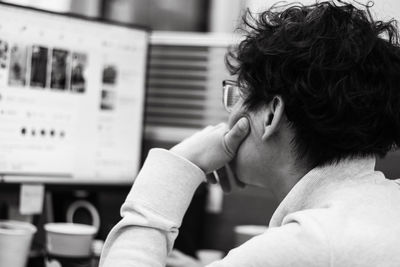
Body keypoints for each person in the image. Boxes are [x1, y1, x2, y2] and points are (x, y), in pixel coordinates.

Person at [100, 1, 400, 266]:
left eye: (237, 95)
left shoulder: (306, 244)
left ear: (271, 114)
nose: (228, 116)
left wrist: (180, 163)